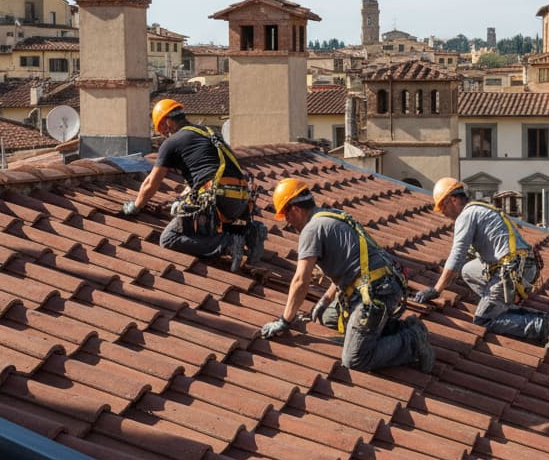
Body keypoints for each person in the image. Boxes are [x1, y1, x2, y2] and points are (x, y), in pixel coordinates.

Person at [260, 178, 435, 374]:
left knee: (355, 358)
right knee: (328, 316)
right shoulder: (332, 215)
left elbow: (301, 281)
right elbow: (347, 268)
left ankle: (412, 340)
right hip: (384, 281)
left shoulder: (311, 230)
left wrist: (284, 321)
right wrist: (324, 302)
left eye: (286, 215)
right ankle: (396, 327)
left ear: (295, 210)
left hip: (376, 293)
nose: (287, 222)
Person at [122, 98, 267, 272]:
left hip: (218, 198)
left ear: (168, 121)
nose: (165, 134)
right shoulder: (209, 132)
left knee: (169, 239)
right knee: (214, 224)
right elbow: (213, 168)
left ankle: (228, 244)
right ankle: (251, 232)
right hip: (240, 199)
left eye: (163, 129)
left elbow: (151, 182)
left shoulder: (172, 143)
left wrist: (136, 206)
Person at [413, 178, 549, 351]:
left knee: (483, 319)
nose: (443, 213)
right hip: (523, 266)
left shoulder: (466, 216)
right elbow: (465, 259)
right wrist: (446, 273)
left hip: (513, 270)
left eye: (442, 206)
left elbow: (457, 255)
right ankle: (501, 305)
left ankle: (542, 326)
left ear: (453, 199)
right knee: (468, 270)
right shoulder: (480, 209)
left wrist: (436, 290)